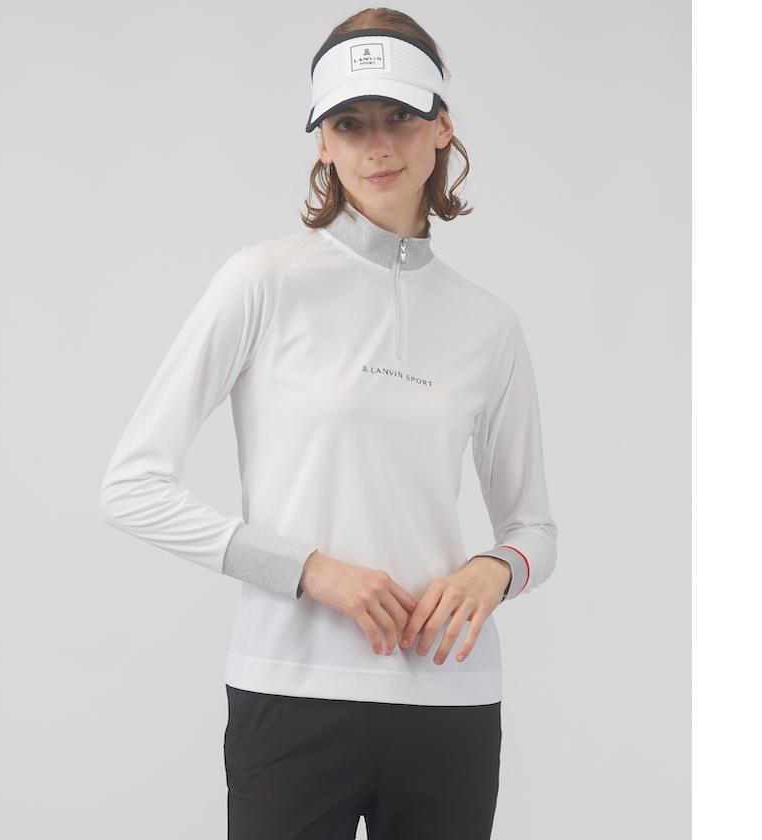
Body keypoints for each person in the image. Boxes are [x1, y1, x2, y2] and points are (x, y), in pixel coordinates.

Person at [99, 9, 557, 840]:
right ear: (322, 143)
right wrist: (307, 570)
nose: (377, 146)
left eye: (400, 116)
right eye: (350, 123)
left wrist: (494, 571)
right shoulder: (263, 281)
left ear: (442, 127)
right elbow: (130, 487)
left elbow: (533, 530)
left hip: (451, 704)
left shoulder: (489, 325)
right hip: (290, 693)